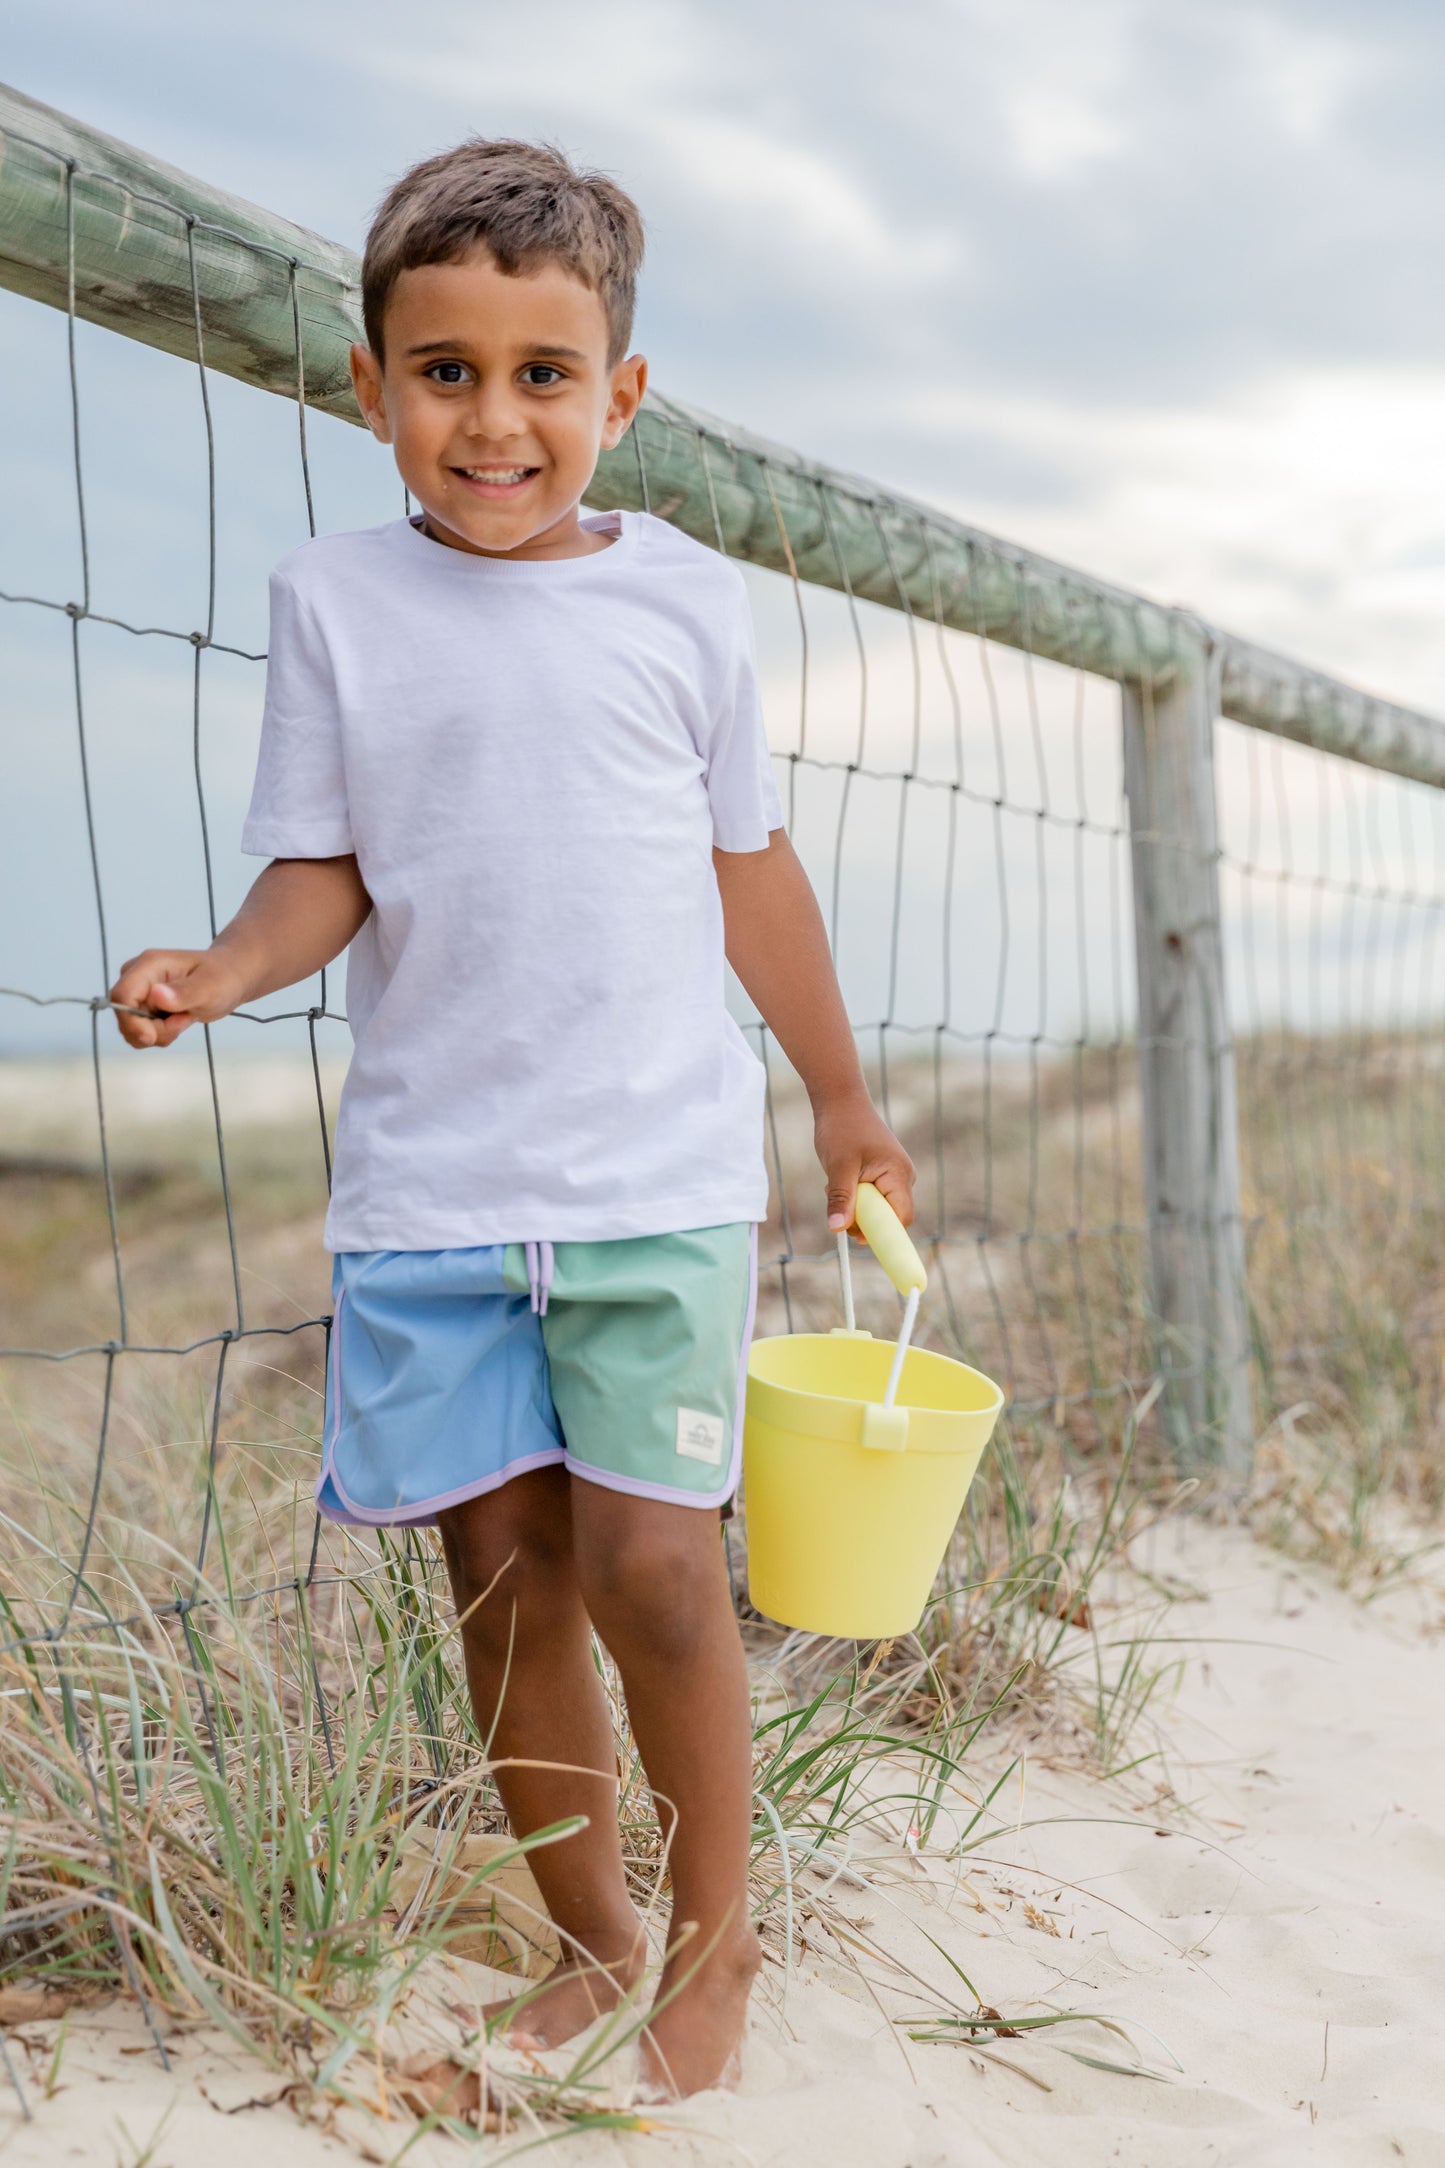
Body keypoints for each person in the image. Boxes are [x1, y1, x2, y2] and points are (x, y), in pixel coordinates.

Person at [110, 137, 914, 2098]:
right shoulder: (334, 603)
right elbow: (332, 869)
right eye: (445, 371)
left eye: (542, 375)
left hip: (652, 1180)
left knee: (654, 1565)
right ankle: (592, 1935)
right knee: (502, 1580)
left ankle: (714, 1944)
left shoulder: (685, 607)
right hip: (439, 1193)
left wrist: (843, 1098)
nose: (493, 419)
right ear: (370, 386)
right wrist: (224, 967)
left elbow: (753, 874)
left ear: (618, 397)